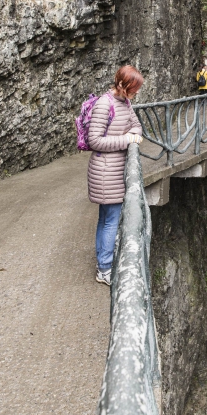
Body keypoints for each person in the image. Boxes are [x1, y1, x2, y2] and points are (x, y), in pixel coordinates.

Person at [87, 65, 144, 286]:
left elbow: (137, 126)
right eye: (134, 88)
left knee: (107, 219)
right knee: (110, 221)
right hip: (105, 171)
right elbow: (95, 141)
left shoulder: (125, 102)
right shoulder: (104, 104)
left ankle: (104, 263)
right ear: (122, 84)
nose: (136, 92)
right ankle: (105, 269)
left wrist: (132, 134)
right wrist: (127, 139)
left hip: (115, 169)